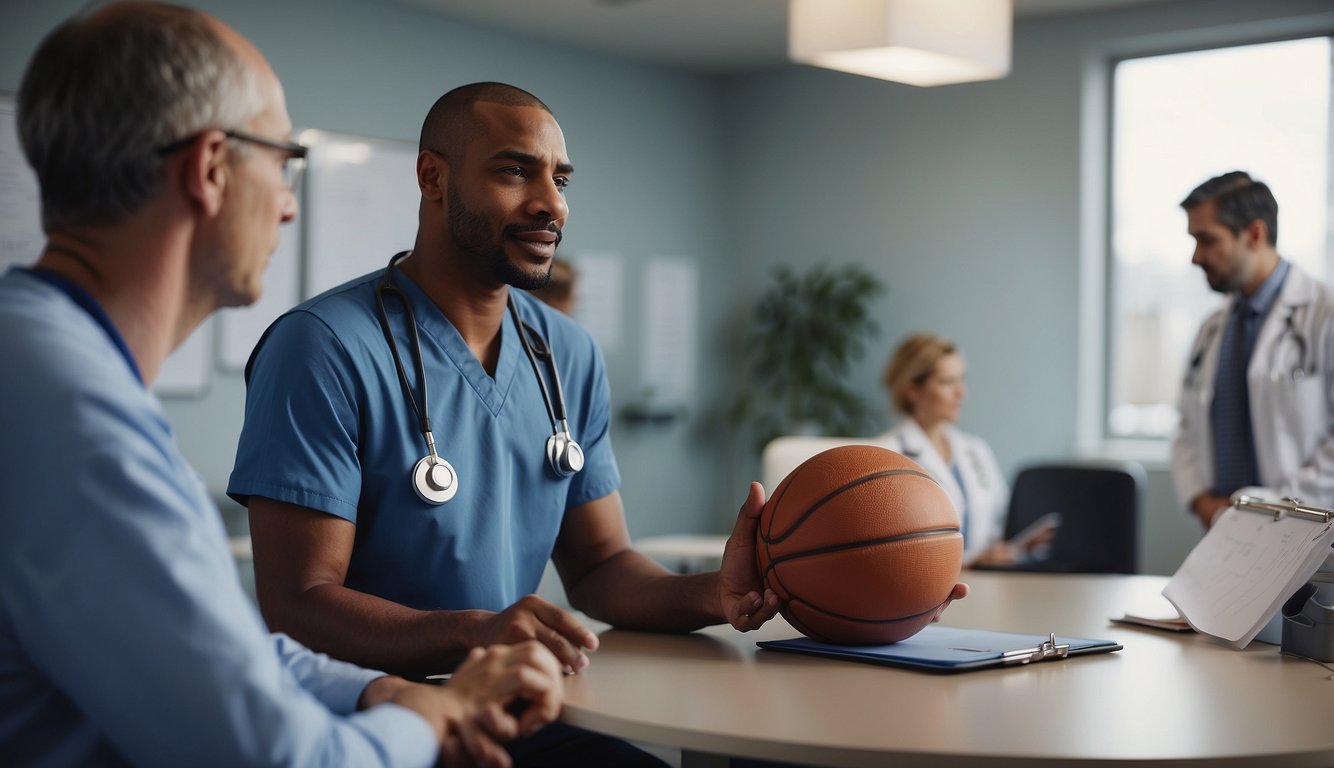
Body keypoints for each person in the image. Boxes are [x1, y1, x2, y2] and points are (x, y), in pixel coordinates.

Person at [228, 81, 970, 763]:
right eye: (516, 172)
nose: (552, 204)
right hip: (373, 723)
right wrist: (470, 632)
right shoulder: (323, 347)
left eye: (561, 179)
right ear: (433, 179)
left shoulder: (567, 353)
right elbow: (298, 604)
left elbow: (601, 569)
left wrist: (729, 589)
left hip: (518, 704)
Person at [0, 5, 565, 766]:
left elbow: (219, 650)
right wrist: (439, 715)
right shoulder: (78, 424)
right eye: (282, 159)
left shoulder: (42, 362)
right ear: (208, 169)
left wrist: (380, 693)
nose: (290, 204)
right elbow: (284, 758)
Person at [1171, 170, 1334, 528]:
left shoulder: (1323, 315)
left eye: (1207, 239)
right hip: (1225, 535)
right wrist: (1201, 501)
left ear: (1255, 234)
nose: (1196, 257)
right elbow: (1186, 426)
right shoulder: (1213, 328)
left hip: (1306, 534)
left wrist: (1272, 508)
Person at [877, 333, 1052, 567]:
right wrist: (970, 562)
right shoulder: (886, 455)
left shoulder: (975, 450)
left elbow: (1000, 525)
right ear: (913, 389)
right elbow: (894, 550)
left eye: (961, 380)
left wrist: (1019, 547)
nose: (961, 393)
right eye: (947, 382)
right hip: (930, 592)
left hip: (988, 587)